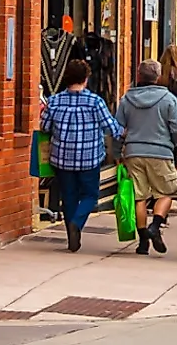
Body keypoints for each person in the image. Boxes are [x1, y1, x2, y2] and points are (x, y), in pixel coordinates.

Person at [40, 59, 119, 254]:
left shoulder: (55, 101)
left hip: (62, 158)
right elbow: (111, 127)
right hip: (88, 158)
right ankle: (77, 223)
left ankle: (71, 237)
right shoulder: (95, 102)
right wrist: (124, 134)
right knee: (90, 196)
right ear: (85, 79)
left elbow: (44, 127)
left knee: (68, 198)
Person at [115, 59, 177, 255]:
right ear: (158, 77)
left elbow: (117, 127)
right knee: (167, 191)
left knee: (139, 196)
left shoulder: (127, 99)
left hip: (133, 152)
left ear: (139, 76)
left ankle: (143, 243)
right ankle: (155, 226)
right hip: (161, 151)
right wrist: (173, 142)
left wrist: (118, 151)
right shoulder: (167, 98)